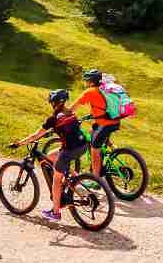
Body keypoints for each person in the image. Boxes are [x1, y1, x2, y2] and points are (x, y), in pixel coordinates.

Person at [8, 89, 88, 222]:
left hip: (69, 149)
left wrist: (19, 143)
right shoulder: (70, 112)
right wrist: (53, 132)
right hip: (83, 145)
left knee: (56, 181)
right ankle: (76, 180)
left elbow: (36, 135)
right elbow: (68, 127)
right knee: (51, 155)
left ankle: (56, 213)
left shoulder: (52, 119)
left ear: (53, 103)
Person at [70, 68, 118, 179]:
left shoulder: (90, 91)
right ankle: (114, 149)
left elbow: (71, 109)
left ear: (91, 81)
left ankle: (96, 179)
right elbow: (102, 106)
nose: (86, 83)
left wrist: (62, 114)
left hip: (105, 123)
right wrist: (92, 115)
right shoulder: (104, 89)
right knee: (94, 131)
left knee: (94, 148)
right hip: (114, 120)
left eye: (86, 81)